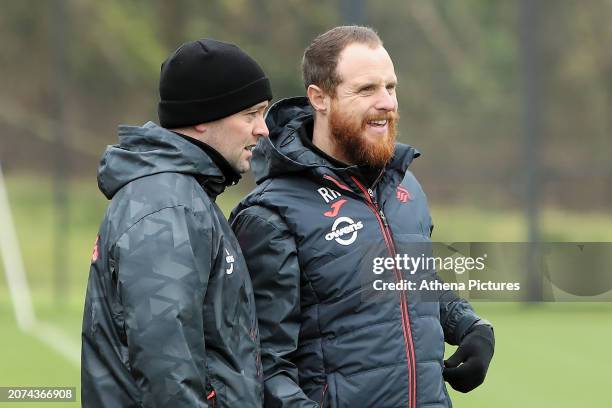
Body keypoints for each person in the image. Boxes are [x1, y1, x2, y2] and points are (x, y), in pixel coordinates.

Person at [230, 26, 494, 408]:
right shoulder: (271, 215)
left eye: (391, 87)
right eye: (367, 89)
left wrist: (470, 326)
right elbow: (262, 366)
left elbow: (414, 279)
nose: (386, 102)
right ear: (319, 98)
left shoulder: (406, 187)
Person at [81, 38, 272, 407]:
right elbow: (167, 369)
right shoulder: (168, 206)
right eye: (250, 114)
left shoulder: (183, 195)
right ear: (202, 119)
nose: (262, 129)